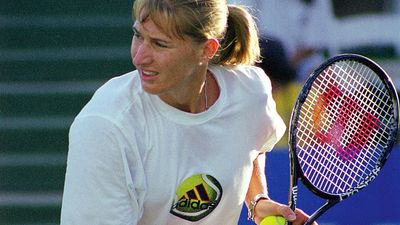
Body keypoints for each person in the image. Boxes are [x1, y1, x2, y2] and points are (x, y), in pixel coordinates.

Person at [60, 0, 317, 224]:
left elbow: (251, 145)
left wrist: (257, 200)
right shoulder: (105, 126)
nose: (139, 57)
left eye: (160, 44)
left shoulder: (250, 92)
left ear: (207, 49)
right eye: (138, 35)